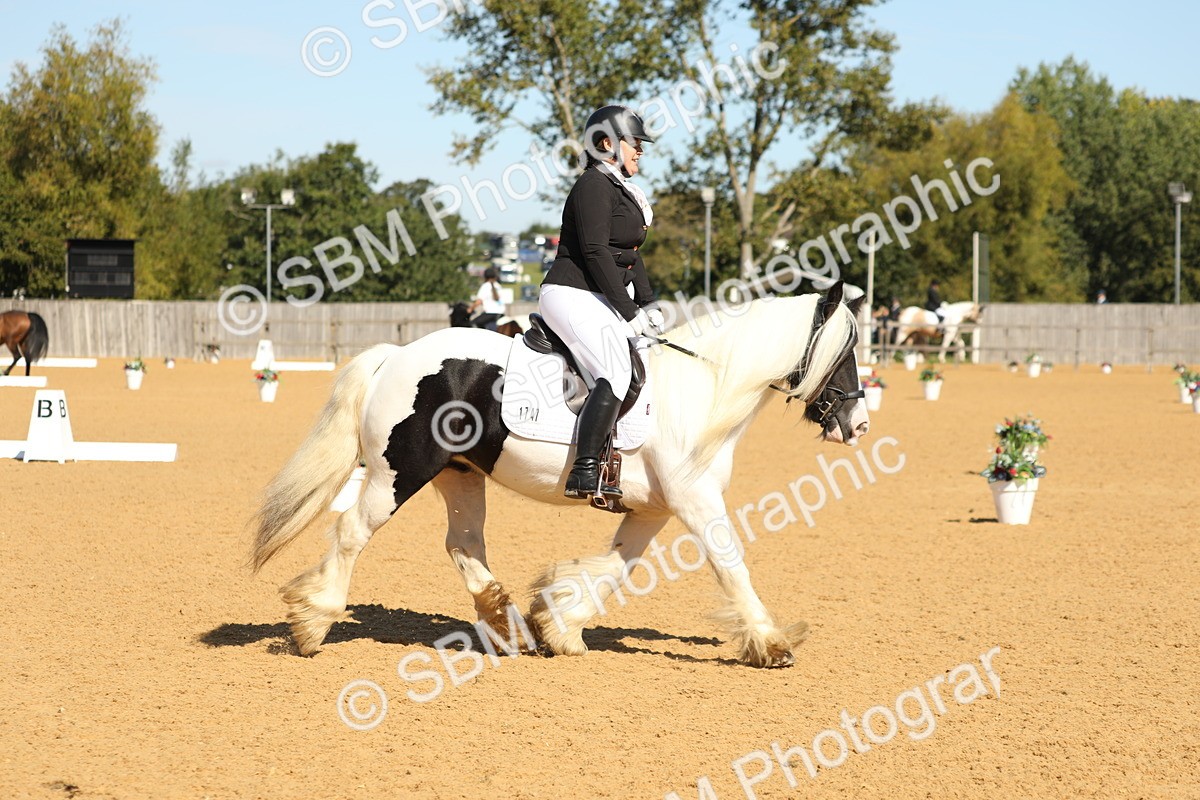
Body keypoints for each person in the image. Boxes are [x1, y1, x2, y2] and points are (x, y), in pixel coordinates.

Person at [539, 104, 664, 500]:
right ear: (608, 143)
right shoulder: (593, 185)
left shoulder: (622, 190)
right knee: (615, 369)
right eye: (635, 144)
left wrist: (648, 302)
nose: (640, 151)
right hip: (571, 292)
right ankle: (585, 468)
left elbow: (629, 252)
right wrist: (628, 312)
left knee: (645, 360)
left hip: (599, 294)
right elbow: (594, 251)